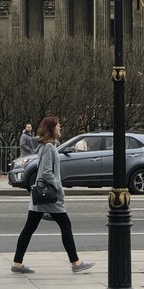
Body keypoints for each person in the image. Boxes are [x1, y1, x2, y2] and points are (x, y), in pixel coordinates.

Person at [11, 115, 95, 275]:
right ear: (51, 129)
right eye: (58, 126)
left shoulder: (44, 146)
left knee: (29, 228)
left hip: (41, 194)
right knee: (65, 225)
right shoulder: (49, 147)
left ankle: (17, 263)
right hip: (49, 195)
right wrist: (59, 187)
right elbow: (47, 173)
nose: (60, 128)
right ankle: (75, 262)